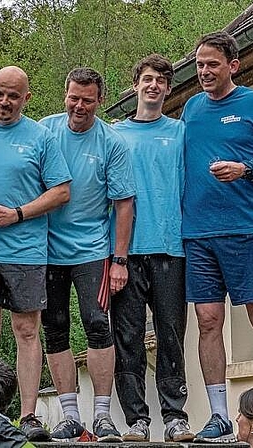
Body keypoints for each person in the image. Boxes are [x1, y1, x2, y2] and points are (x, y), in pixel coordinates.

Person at [0, 65, 72, 442]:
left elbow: (60, 192)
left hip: (25, 250)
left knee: (26, 330)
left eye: (12, 95)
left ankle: (28, 415)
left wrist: (18, 213)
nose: (4, 101)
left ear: (27, 98)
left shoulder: (41, 136)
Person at [39, 67, 135, 442]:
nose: (79, 106)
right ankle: (68, 414)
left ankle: (102, 415)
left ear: (99, 100)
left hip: (92, 249)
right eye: (73, 98)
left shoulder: (111, 142)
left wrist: (120, 258)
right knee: (54, 327)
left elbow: (124, 204)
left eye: (88, 100)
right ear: (65, 94)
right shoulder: (45, 130)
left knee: (97, 323)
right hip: (45, 248)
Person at [111, 55, 193, 442]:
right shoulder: (115, 134)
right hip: (126, 253)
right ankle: (136, 420)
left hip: (170, 247)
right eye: (147, 79)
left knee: (171, 335)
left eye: (161, 80)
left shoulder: (180, 132)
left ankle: (175, 415)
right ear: (135, 86)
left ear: (168, 88)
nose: (154, 86)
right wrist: (114, 255)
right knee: (127, 337)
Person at [181, 31, 253, 444]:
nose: (204, 71)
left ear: (233, 66)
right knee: (208, 322)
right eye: (200, 64)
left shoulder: (249, 103)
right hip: (198, 234)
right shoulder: (190, 108)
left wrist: (245, 170)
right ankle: (220, 415)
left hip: (244, 229)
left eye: (212, 64)